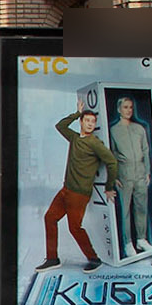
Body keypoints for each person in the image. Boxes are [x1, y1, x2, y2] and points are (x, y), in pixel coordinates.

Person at [35, 107, 116, 271]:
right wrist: (77, 113)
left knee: (74, 227)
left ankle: (94, 259)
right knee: (50, 218)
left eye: (93, 122)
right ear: (81, 122)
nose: (90, 124)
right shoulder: (75, 138)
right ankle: (52, 259)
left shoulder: (94, 143)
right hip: (66, 190)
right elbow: (60, 126)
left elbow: (112, 163)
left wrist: (109, 187)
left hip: (79, 193)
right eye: (87, 120)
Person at [110, 96, 152, 255]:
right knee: (125, 210)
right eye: (125, 107)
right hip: (124, 174)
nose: (128, 110)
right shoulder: (114, 130)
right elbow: (111, 155)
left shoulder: (139, 128)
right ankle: (128, 243)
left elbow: (146, 151)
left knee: (141, 207)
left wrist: (147, 171)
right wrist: (114, 176)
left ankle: (141, 240)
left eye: (130, 107)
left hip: (140, 173)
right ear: (119, 109)